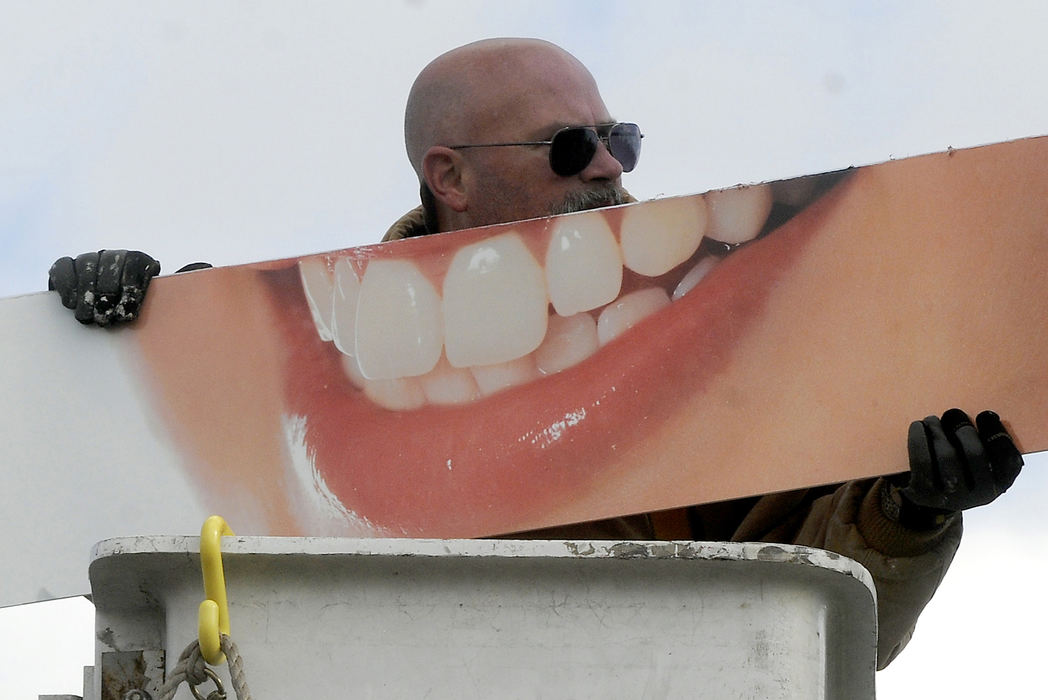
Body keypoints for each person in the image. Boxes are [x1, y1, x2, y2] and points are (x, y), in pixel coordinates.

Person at [47, 38, 1025, 668]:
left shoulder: (716, 343)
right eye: (567, 147)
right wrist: (116, 338)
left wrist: (907, 513)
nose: (607, 167)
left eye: (619, 140)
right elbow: (186, 582)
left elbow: (815, 635)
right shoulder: (280, 382)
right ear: (451, 177)